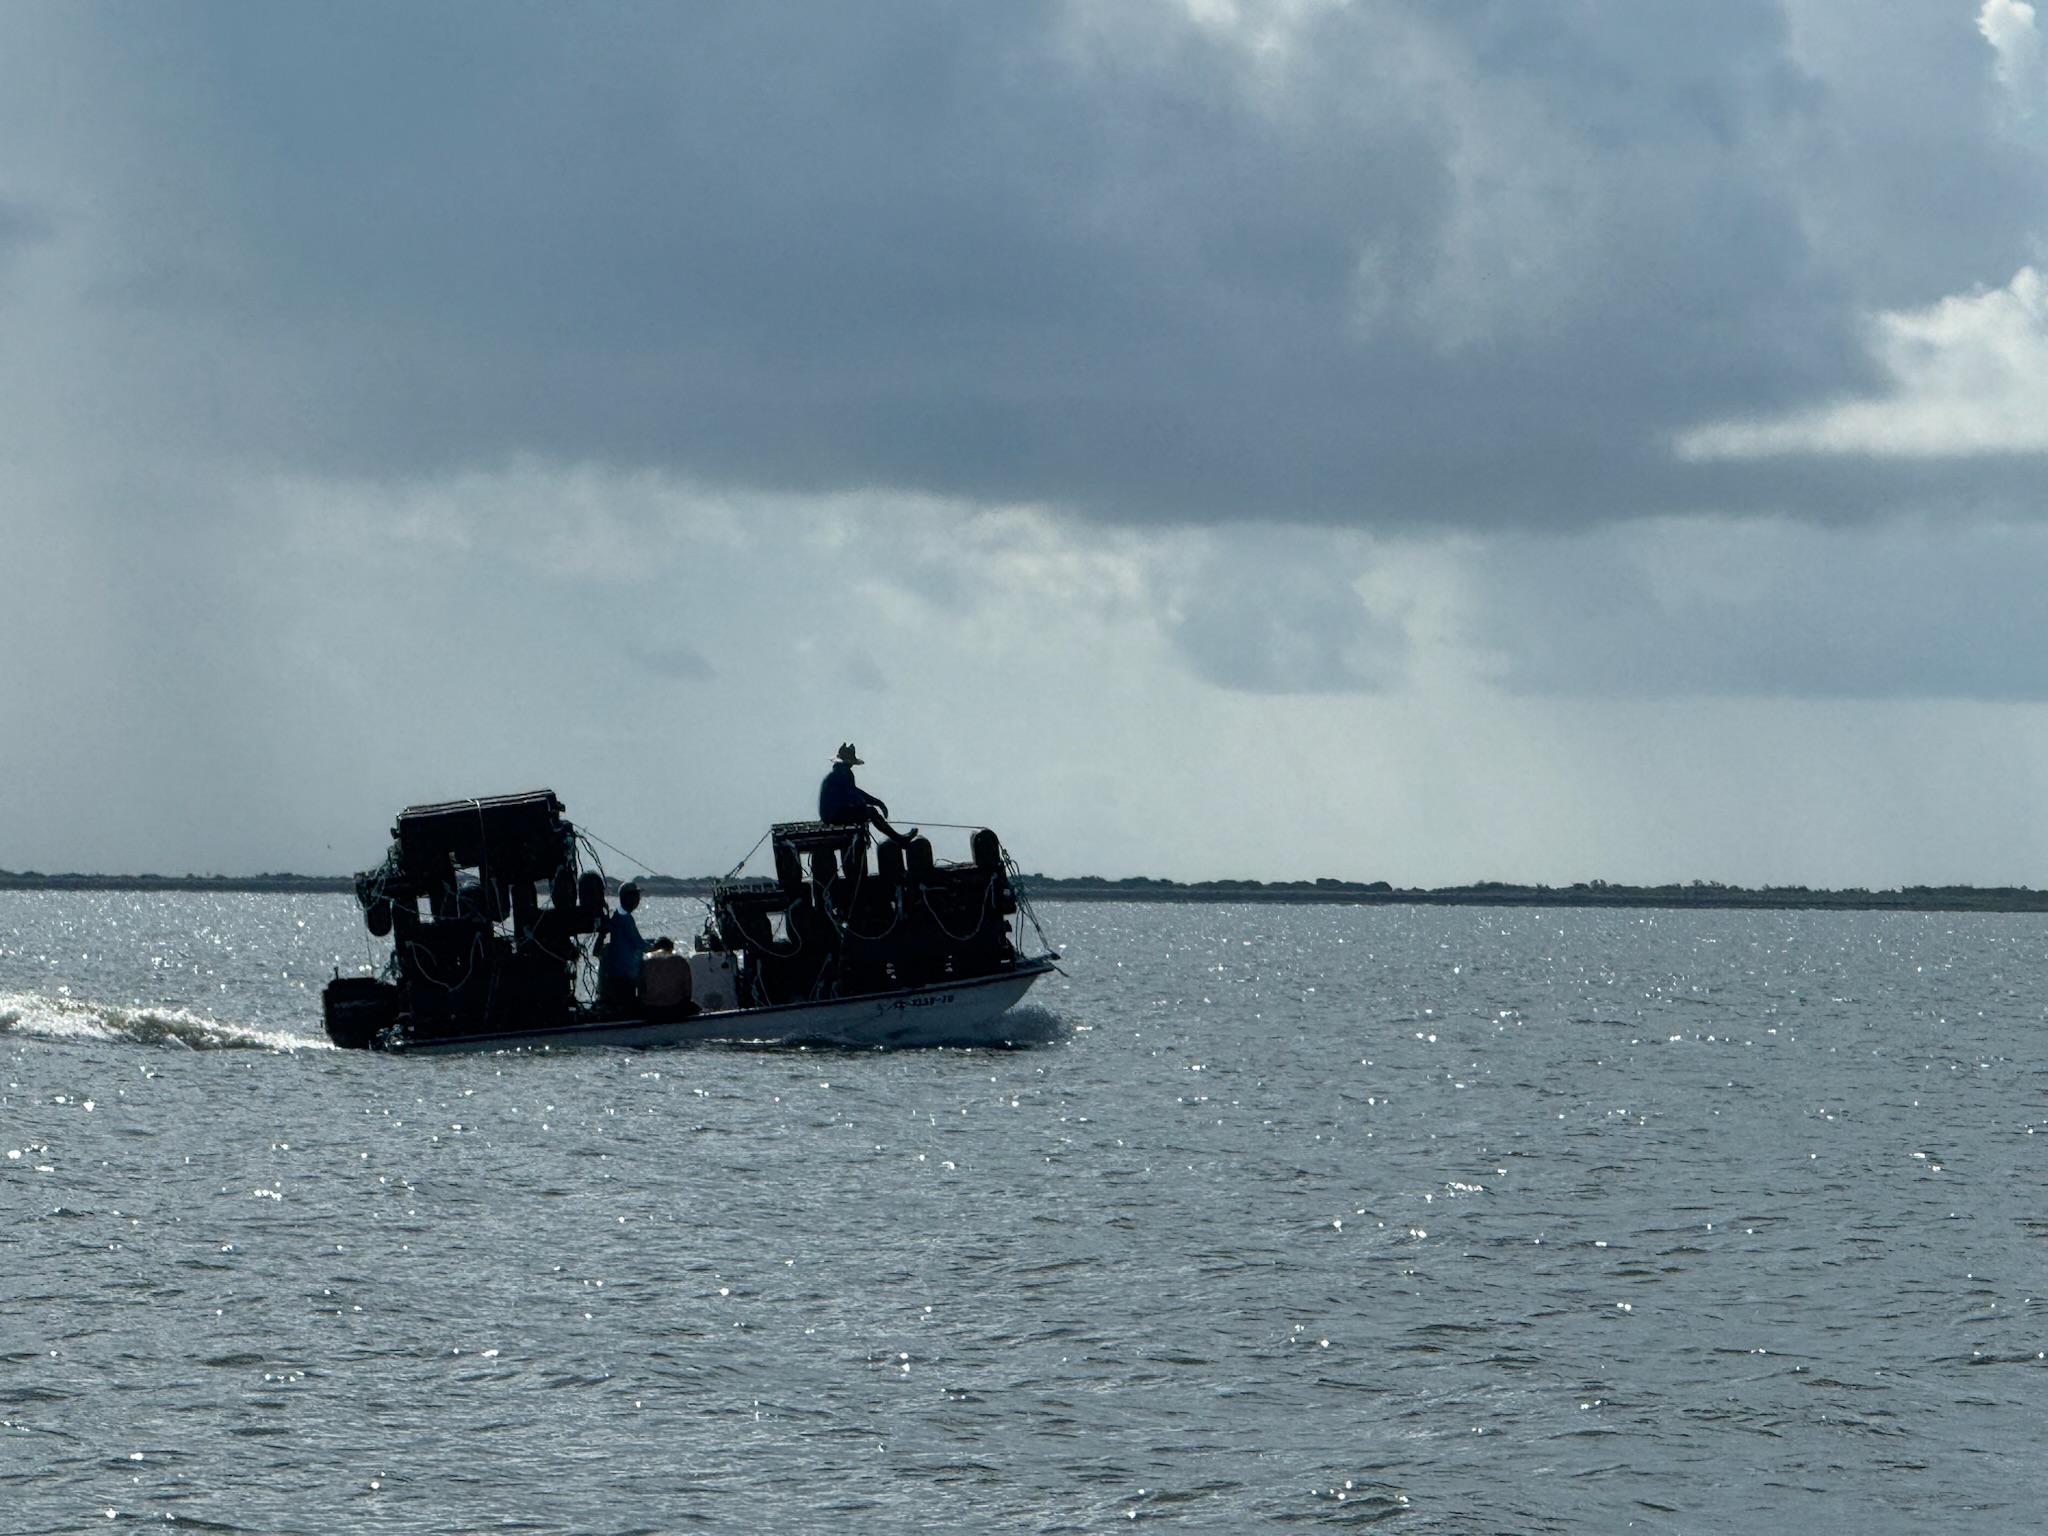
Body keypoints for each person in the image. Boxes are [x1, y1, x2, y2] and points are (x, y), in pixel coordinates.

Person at [818, 743, 917, 842]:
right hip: (833, 815)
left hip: (831, 814)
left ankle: (897, 838)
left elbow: (854, 792)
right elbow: (852, 795)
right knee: (871, 812)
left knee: (868, 811)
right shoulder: (843, 774)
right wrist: (866, 808)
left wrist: (877, 802)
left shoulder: (837, 774)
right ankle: (898, 839)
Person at [595, 881, 646, 1007]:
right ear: (627, 897)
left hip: (620, 971)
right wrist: (654, 947)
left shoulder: (618, 915)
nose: (637, 900)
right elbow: (637, 942)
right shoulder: (625, 918)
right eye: (635, 896)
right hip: (625, 972)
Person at [639, 936, 695, 1020]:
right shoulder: (680, 961)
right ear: (671, 948)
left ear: (655, 948)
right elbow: (688, 990)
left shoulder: (646, 961)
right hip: (676, 1008)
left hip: (652, 1009)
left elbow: (641, 989)